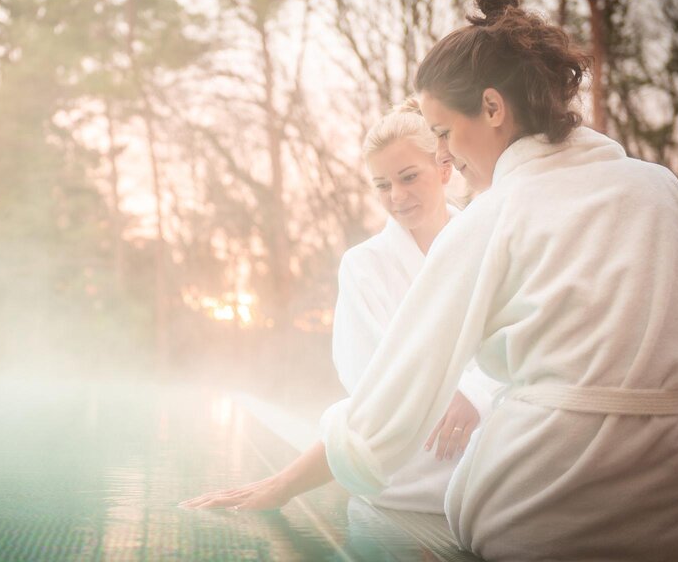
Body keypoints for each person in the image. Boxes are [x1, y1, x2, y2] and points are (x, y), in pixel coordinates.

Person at [320, 0, 678, 561]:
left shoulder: (493, 214)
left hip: (539, 505)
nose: (447, 158)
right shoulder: (661, 189)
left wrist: (343, 449)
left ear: (494, 109)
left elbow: (391, 400)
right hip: (677, 506)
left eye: (444, 133)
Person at [181, 99, 500, 514]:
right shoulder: (363, 267)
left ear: (443, 168)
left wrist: (475, 393)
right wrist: (283, 485)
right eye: (382, 185)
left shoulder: (487, 243)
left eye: (408, 177)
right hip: (403, 469)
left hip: (483, 462)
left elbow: (521, 350)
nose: (396, 197)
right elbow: (377, 390)